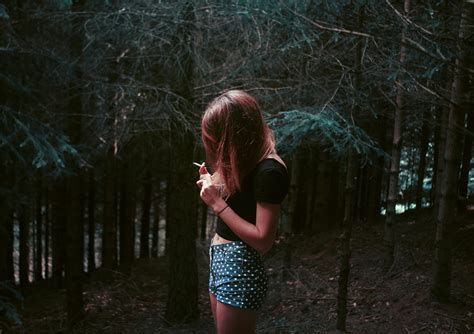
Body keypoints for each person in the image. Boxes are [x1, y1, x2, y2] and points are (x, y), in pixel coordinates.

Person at [196, 90, 289, 334]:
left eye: (215, 139)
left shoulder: (270, 171)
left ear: (234, 136)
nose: (213, 146)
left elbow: (263, 240)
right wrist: (213, 181)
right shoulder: (248, 160)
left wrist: (217, 204)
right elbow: (242, 200)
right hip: (222, 259)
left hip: (240, 266)